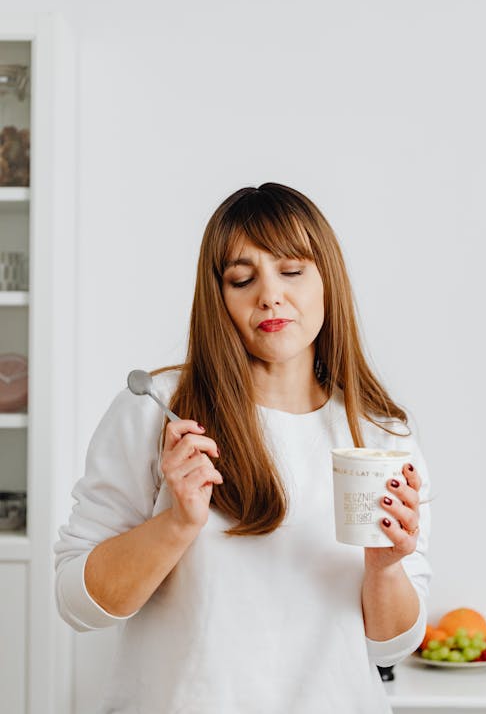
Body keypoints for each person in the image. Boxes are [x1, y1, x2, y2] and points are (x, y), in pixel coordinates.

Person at [54, 182, 432, 713]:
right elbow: (78, 605)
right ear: (219, 297)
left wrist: (386, 567)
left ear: (329, 280)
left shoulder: (380, 434)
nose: (270, 295)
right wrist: (176, 523)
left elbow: (391, 644)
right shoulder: (158, 410)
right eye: (242, 278)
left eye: (292, 271)